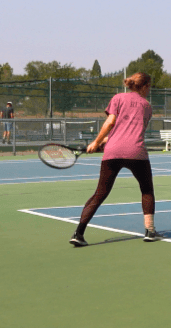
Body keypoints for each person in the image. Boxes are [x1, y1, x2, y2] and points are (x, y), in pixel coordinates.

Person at [69, 72, 163, 247]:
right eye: (149, 86)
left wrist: (99, 142)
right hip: (136, 152)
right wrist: (98, 142)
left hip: (113, 151)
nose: (149, 90)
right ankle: (150, 231)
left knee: (100, 194)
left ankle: (78, 233)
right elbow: (130, 131)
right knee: (147, 190)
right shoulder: (147, 106)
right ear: (143, 86)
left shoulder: (118, 98)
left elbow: (112, 124)